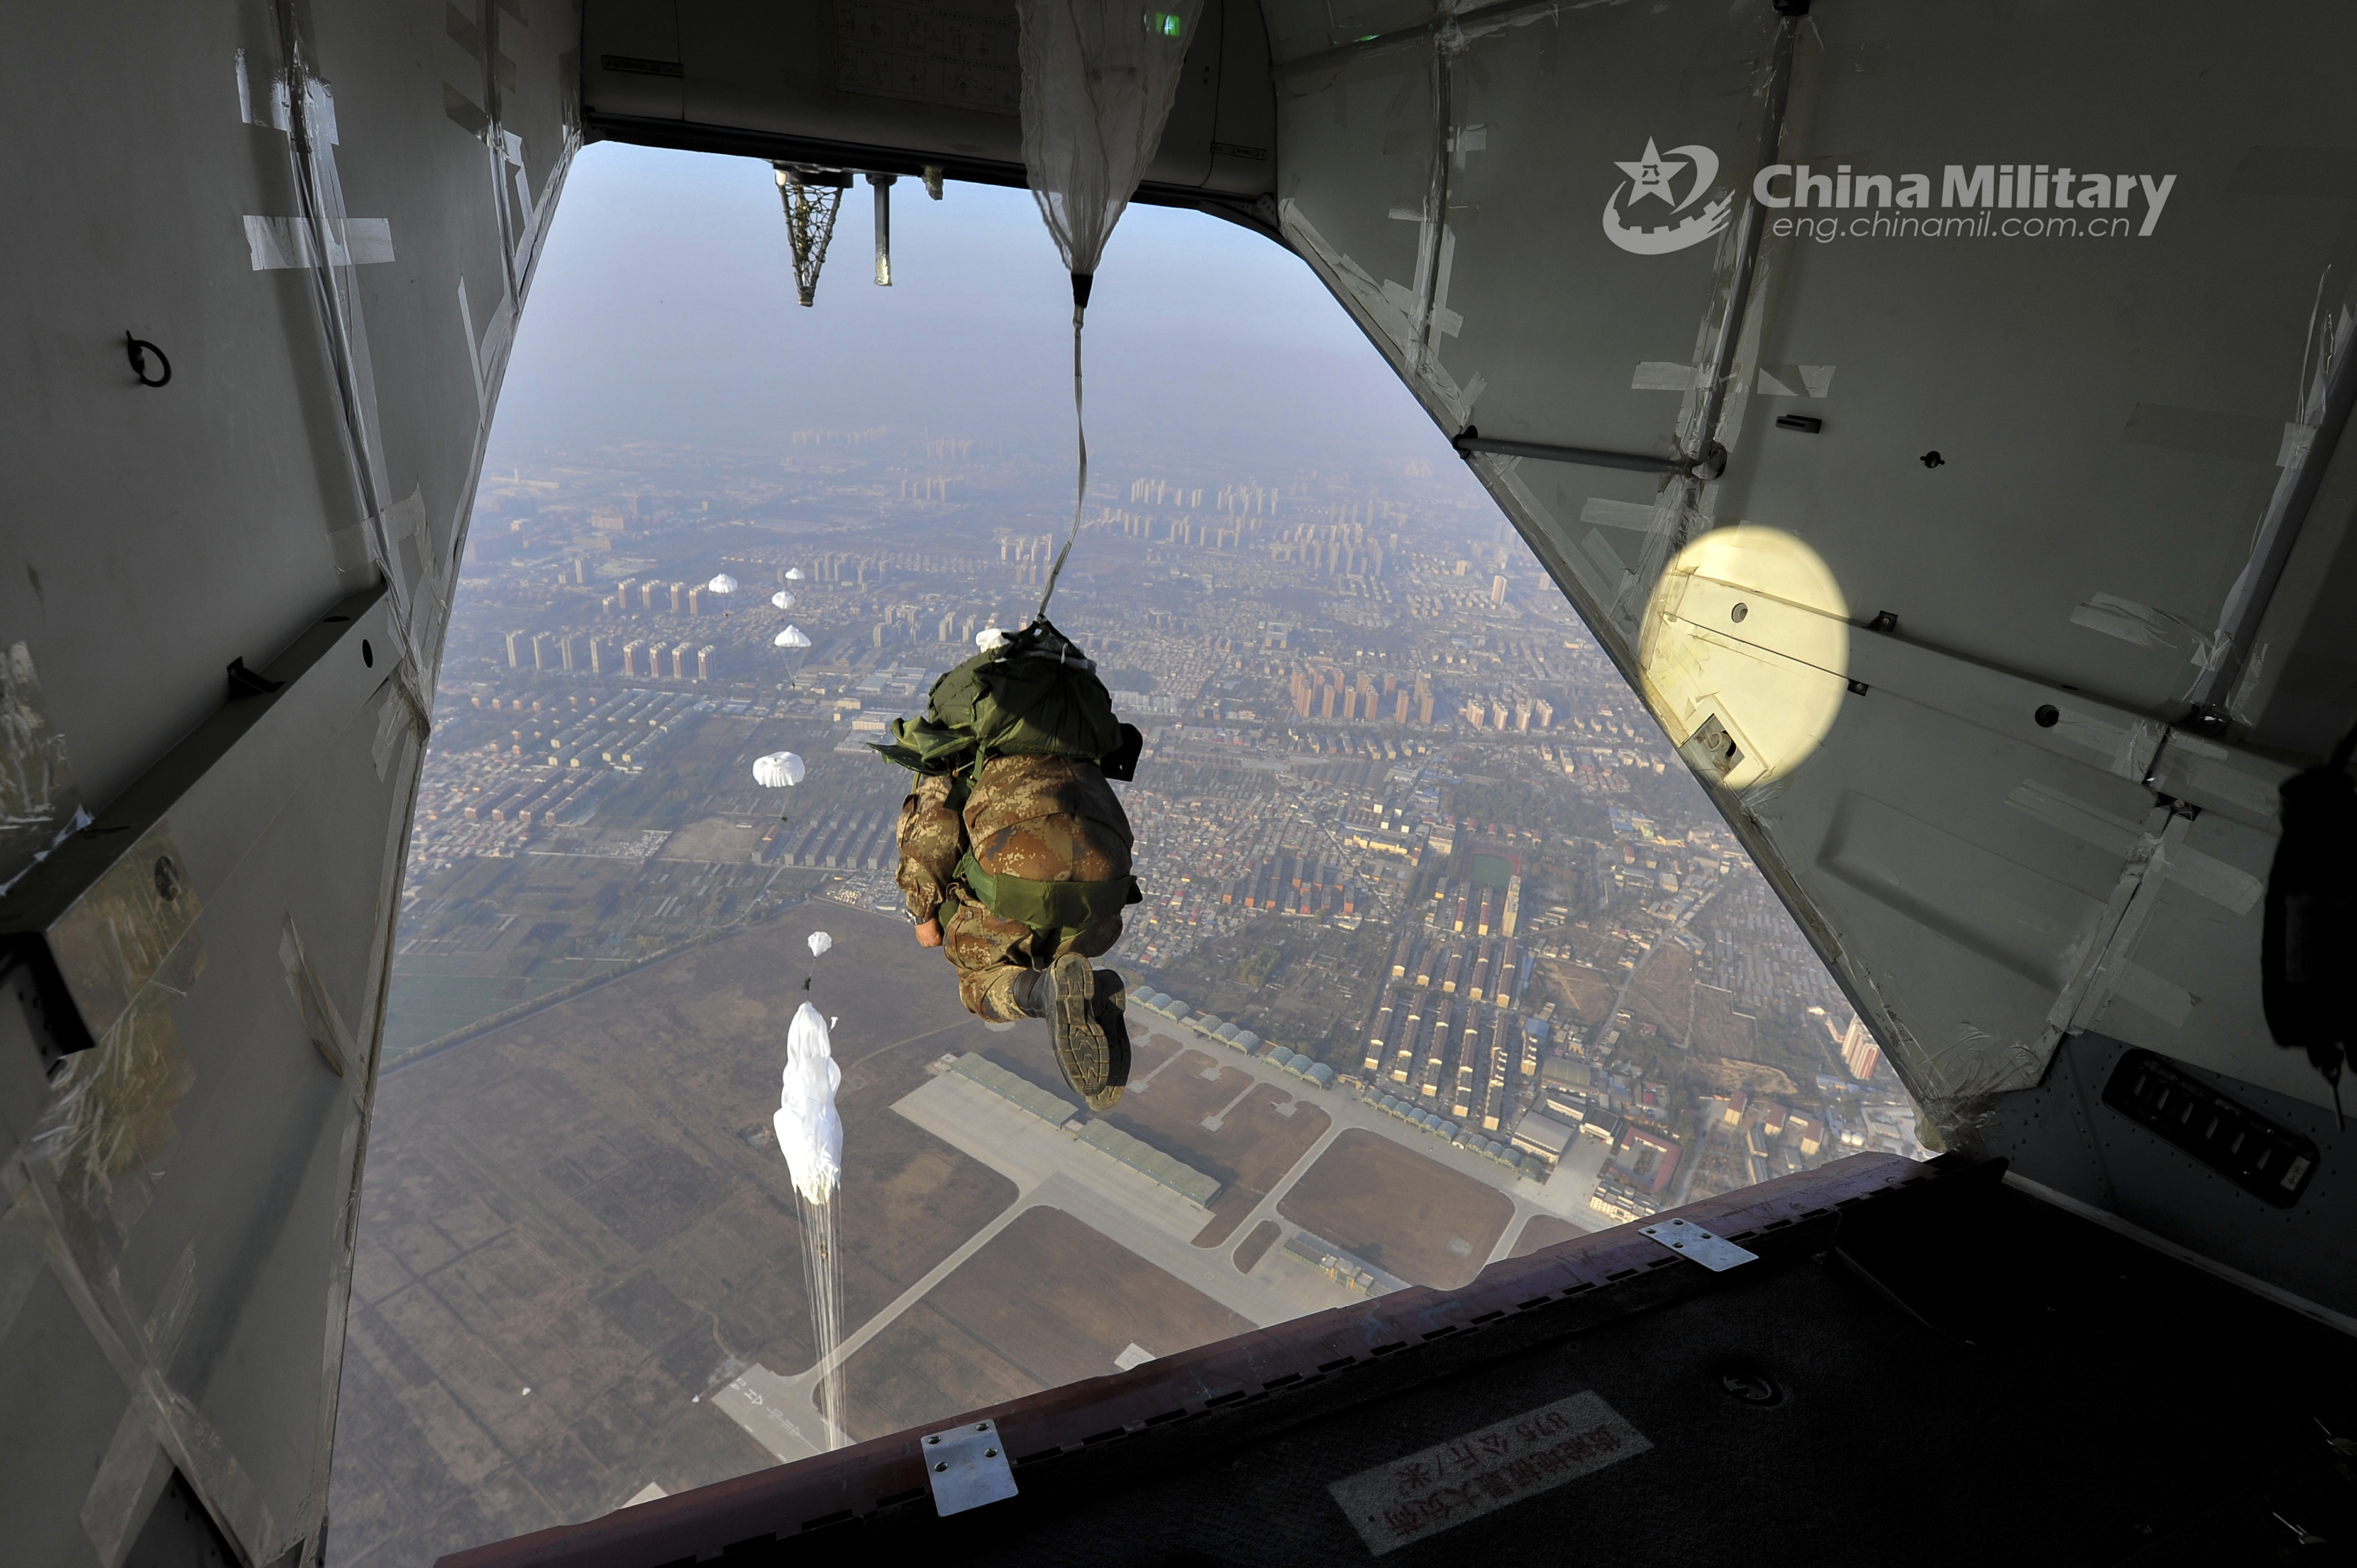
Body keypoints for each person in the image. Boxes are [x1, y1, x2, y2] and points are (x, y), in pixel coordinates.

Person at [878, 622, 1143, 1108]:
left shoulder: (958, 739)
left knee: (978, 982)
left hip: (1026, 866)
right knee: (1050, 933)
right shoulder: (1077, 730)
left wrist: (923, 915)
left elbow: (931, 835)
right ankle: (1079, 990)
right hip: (1106, 878)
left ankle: (1045, 995)